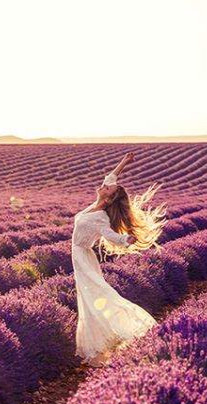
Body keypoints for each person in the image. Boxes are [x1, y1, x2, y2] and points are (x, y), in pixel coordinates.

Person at [71, 151, 168, 367]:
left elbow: (111, 236)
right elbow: (111, 178)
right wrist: (124, 162)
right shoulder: (94, 206)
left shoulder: (100, 217)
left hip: (84, 259)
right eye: (106, 186)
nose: (103, 185)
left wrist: (126, 239)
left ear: (108, 199)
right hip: (79, 256)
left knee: (98, 294)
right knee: (88, 298)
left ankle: (129, 331)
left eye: (107, 188)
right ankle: (105, 340)